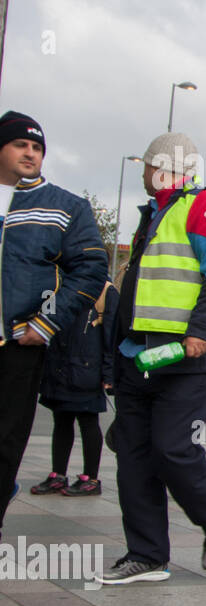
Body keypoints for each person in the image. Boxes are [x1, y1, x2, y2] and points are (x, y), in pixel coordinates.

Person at [100, 132, 206, 583]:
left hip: (186, 354)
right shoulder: (155, 213)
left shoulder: (204, 207)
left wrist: (200, 332)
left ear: (159, 167)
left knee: (174, 449)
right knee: (135, 455)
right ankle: (147, 554)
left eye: (146, 165)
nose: (142, 172)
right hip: (140, 354)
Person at [0, 111, 108, 540]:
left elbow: (91, 268)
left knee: (6, 439)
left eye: (37, 147)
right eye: (21, 144)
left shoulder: (64, 206)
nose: (30, 152)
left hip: (17, 346)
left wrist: (46, 323)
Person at [30, 281, 118, 497]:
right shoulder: (59, 283)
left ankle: (91, 478)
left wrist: (109, 373)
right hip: (60, 364)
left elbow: (112, 335)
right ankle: (58, 474)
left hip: (88, 367)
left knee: (88, 421)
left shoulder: (105, 290)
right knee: (61, 419)